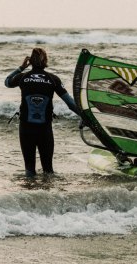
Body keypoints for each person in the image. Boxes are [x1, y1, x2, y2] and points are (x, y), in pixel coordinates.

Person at [5, 48, 80, 177]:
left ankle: (30, 195)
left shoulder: (23, 77)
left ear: (30, 61)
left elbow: (7, 82)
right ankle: (48, 196)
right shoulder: (53, 79)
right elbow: (71, 104)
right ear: (45, 60)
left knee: (29, 171)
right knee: (48, 170)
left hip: (26, 128)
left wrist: (21, 68)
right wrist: (87, 116)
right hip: (44, 129)